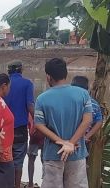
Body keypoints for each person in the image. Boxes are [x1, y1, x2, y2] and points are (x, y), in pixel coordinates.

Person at [34, 58, 92, 188]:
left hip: (53, 154)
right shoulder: (83, 94)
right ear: (65, 74)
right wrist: (71, 143)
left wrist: (61, 141)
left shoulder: (42, 98)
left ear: (48, 77)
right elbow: (87, 120)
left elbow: (39, 125)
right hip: (77, 153)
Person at [4, 60, 34, 188]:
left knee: (5, 160)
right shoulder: (27, 83)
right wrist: (37, 122)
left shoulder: (3, 84)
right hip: (20, 130)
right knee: (18, 162)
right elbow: (30, 105)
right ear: (21, 69)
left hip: (3, 129)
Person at [71, 76, 103, 143]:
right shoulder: (94, 103)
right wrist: (87, 136)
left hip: (66, 139)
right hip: (82, 140)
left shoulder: (68, 101)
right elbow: (99, 121)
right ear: (87, 88)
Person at [27, 115, 44, 188]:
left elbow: (28, 123)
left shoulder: (33, 106)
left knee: (31, 159)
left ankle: (30, 184)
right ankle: (45, 182)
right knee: (45, 160)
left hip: (34, 135)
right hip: (45, 135)